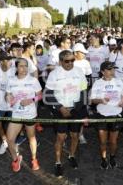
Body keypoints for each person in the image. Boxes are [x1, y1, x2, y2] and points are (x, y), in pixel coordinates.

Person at [45, 50, 88, 178]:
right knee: (61, 138)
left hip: (76, 109)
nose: (70, 63)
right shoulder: (54, 74)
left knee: (75, 136)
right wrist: (60, 107)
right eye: (67, 61)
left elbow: (84, 91)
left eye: (72, 60)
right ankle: (58, 162)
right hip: (60, 111)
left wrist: (77, 108)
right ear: (60, 61)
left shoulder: (79, 72)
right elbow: (48, 94)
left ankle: (71, 155)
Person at [6, 58, 42, 172]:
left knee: (31, 137)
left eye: (26, 66)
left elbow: (40, 96)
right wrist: (9, 98)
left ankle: (34, 158)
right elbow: (8, 95)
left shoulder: (33, 80)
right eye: (21, 66)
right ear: (16, 68)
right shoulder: (11, 80)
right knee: (10, 139)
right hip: (16, 114)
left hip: (30, 114)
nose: (24, 68)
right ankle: (16, 159)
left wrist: (31, 100)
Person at [90, 61, 123, 169]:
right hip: (102, 115)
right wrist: (101, 100)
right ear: (102, 71)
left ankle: (112, 157)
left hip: (116, 114)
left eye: (113, 69)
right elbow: (92, 100)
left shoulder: (118, 81)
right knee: (103, 141)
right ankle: (103, 158)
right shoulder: (97, 83)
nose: (112, 71)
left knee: (113, 141)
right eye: (109, 69)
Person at [0, 52, 15, 155]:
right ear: (1, 62)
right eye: (7, 60)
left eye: (10, 59)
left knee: (12, 126)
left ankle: (12, 144)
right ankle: (5, 141)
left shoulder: (14, 70)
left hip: (11, 105)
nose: (10, 61)